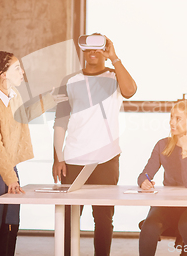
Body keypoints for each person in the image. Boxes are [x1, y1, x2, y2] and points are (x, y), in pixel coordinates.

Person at [0, 51, 66, 256]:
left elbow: (24, 114)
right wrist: (10, 178)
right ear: (2, 73)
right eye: (16, 68)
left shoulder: (13, 95)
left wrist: (49, 99)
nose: (22, 71)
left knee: (11, 222)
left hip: (8, 167)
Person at [53, 35, 137, 256]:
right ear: (83, 50)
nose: (92, 52)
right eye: (88, 48)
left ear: (105, 50)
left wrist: (115, 58)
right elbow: (60, 121)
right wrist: (57, 157)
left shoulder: (114, 77)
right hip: (73, 159)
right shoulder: (69, 81)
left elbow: (130, 91)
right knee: (69, 218)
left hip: (106, 159)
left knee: (103, 218)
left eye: (98, 48)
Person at [137, 100, 187, 256]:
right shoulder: (162, 145)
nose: (171, 122)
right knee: (149, 226)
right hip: (170, 204)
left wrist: (185, 150)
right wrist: (144, 181)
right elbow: (145, 173)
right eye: (171, 117)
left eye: (178, 118)